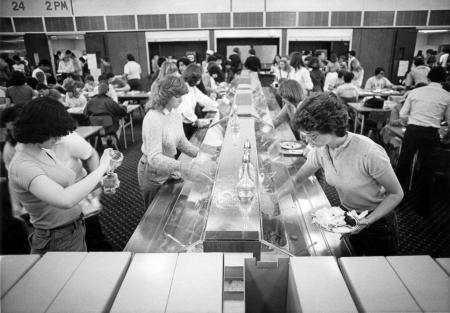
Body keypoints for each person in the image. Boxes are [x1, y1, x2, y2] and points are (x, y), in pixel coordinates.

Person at [287, 93, 403, 256]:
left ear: (332, 127)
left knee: (379, 274)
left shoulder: (368, 152)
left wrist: (368, 221)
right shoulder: (321, 150)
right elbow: (298, 178)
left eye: (312, 136)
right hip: (348, 217)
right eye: (306, 135)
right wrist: (276, 196)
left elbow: (396, 194)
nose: (309, 141)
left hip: (378, 221)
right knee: (353, 264)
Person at [8, 97, 116, 254]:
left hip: (73, 229)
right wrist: (103, 167)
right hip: (56, 239)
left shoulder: (44, 151)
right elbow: (64, 199)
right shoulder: (22, 165)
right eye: (55, 134)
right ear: (39, 130)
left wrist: (101, 182)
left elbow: (69, 187)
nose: (58, 139)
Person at [138, 76, 213, 207]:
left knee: (169, 207)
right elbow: (154, 158)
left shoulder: (175, 112)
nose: (181, 100)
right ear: (165, 96)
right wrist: (183, 167)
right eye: (177, 96)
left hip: (169, 168)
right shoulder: (153, 119)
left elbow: (181, 141)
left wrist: (202, 154)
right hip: (152, 173)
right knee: (154, 213)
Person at [397, 66, 450, 216]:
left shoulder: (415, 92)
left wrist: (408, 123)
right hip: (431, 133)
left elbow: (402, 114)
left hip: (412, 130)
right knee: (427, 169)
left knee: (403, 164)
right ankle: (423, 207)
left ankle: (397, 199)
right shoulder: (447, 96)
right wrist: (445, 136)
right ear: (444, 79)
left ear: (428, 78)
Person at [179, 64, 217, 139]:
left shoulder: (192, 87)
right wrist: (196, 121)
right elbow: (186, 110)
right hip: (182, 125)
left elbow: (203, 98)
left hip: (189, 122)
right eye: (200, 77)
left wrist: (216, 104)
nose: (201, 79)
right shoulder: (184, 87)